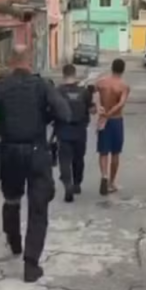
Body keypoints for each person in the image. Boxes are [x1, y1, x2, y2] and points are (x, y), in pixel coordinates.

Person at [0, 45, 71, 283]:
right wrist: (47, 114)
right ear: (30, 61)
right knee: (38, 208)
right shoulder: (43, 86)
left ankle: (14, 241)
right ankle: (31, 265)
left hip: (9, 152)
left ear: (10, 62)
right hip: (36, 153)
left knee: (11, 200)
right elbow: (65, 114)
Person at [55, 64, 95, 202]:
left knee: (64, 160)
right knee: (78, 159)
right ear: (75, 74)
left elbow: (51, 110)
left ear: (63, 74)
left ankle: (67, 185)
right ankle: (77, 183)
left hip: (63, 130)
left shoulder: (57, 91)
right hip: (80, 131)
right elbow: (92, 109)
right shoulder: (84, 92)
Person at [94, 58, 131, 195]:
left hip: (103, 120)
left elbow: (94, 93)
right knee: (115, 152)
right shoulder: (123, 86)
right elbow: (121, 103)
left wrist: (100, 109)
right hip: (115, 120)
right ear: (123, 69)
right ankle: (111, 182)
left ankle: (104, 175)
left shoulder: (101, 82)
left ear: (112, 67)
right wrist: (109, 114)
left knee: (103, 151)